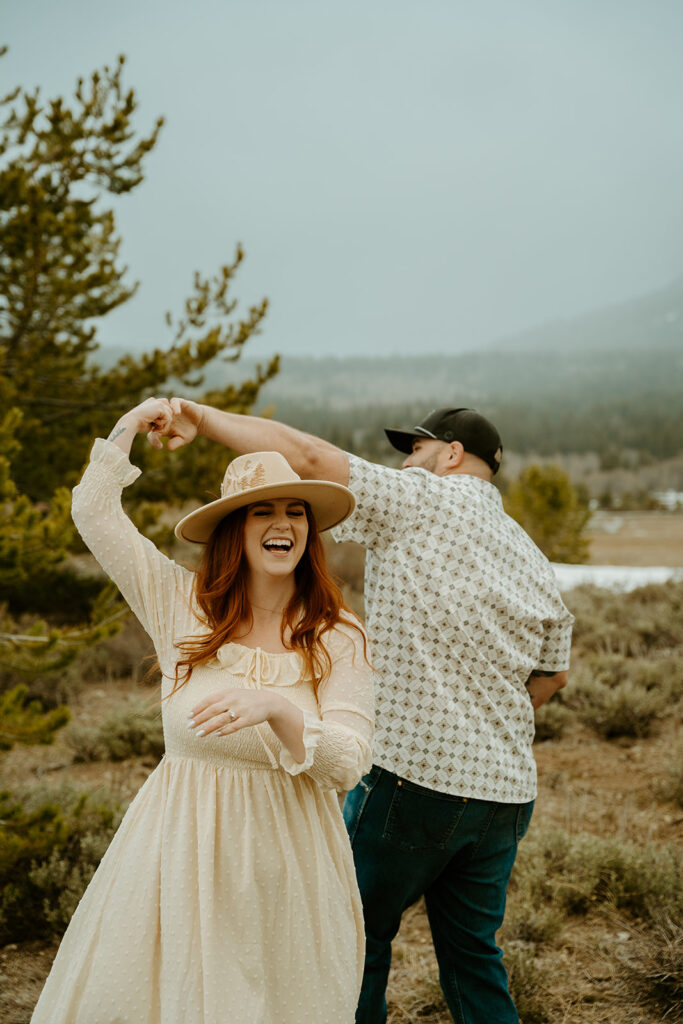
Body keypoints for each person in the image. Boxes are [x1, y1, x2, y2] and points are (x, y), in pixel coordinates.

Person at [153, 399, 574, 1024]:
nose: (407, 461)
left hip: (413, 784)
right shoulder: (529, 554)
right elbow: (556, 672)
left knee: (349, 939)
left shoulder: (419, 499)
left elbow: (308, 459)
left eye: (417, 449)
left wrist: (201, 417)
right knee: (474, 961)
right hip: (506, 793)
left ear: (451, 455)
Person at [31, 398, 375, 1024]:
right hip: (177, 860)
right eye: (262, 511)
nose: (284, 523)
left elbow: (349, 763)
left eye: (296, 510)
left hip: (289, 870)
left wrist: (278, 708)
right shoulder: (180, 606)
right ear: (234, 531)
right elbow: (93, 512)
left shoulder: (337, 634)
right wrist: (130, 424)